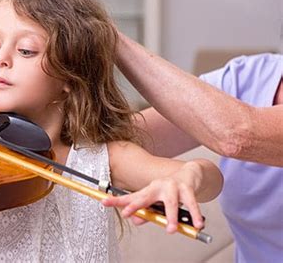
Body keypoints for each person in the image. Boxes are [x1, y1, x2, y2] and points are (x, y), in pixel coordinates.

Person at [0, 0, 222, 262]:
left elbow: (210, 178)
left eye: (25, 51)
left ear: (69, 74)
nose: (0, 60)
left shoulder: (101, 158)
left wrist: (187, 178)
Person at [108, 36, 282, 263]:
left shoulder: (238, 127)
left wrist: (105, 33)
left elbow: (237, 134)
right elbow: (128, 137)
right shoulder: (249, 76)